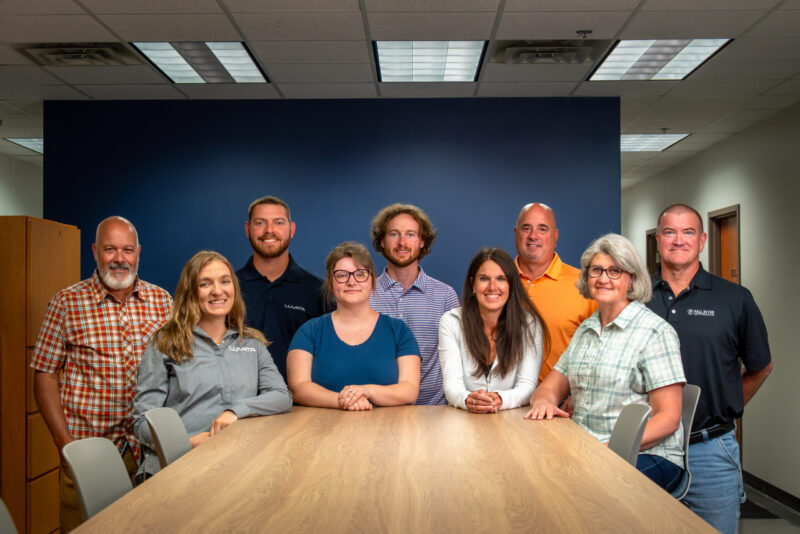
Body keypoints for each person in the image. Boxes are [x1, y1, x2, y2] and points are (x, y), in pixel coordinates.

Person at [31, 216, 173, 532]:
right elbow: (45, 374)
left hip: (147, 451)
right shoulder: (66, 302)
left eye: (127, 249)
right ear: (95, 251)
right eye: (110, 249)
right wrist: (64, 443)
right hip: (87, 451)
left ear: (139, 252)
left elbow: (178, 371)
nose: (120, 259)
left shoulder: (163, 302)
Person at [526, 234, 686, 493]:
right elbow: (549, 388)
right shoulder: (586, 329)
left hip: (648, 455)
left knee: (573, 490)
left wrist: (609, 450)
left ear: (631, 278)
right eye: (597, 270)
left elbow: (669, 418)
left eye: (614, 271)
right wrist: (543, 403)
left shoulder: (655, 332)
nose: (603, 278)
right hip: (589, 449)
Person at [648, 204, 772, 533]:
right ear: (658, 240)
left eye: (688, 232)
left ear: (702, 240)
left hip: (710, 450)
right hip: (647, 449)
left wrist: (727, 402)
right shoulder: (635, 298)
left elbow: (761, 365)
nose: (678, 240)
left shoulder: (735, 299)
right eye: (669, 232)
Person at [132, 251, 291, 479]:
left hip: (235, 464)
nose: (218, 291)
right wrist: (186, 444)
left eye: (225, 281)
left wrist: (235, 411)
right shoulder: (165, 343)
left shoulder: (252, 344)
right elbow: (141, 422)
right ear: (190, 292)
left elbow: (281, 396)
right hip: (175, 467)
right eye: (205, 284)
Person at [286, 242, 420, 410]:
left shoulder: (399, 331)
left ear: (372, 281)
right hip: (322, 431)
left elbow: (409, 391)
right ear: (330, 283)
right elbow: (298, 387)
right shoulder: (309, 331)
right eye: (342, 275)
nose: (352, 282)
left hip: (389, 432)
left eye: (360, 274)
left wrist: (367, 391)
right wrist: (342, 401)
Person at [369, 203, 459, 405]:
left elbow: (458, 361)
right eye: (394, 234)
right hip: (377, 411)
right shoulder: (365, 294)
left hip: (436, 411)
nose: (402, 242)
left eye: (410, 234)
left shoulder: (445, 296)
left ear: (422, 242)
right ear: (382, 241)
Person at [439, 247, 545, 413]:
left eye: (501, 279)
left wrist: (500, 399)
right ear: (473, 285)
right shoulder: (451, 322)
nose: (492, 287)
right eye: (484, 279)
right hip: (463, 420)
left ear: (511, 285)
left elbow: (527, 386)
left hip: (513, 423)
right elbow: (452, 385)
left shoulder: (530, 325)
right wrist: (468, 399)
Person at [236, 196, 328, 382]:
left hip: (301, 404)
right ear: (247, 229)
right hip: (239, 401)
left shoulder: (318, 290)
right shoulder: (228, 288)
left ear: (291, 229)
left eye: (278, 222)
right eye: (260, 223)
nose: (269, 230)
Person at [514, 202, 597, 384]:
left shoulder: (585, 285)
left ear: (555, 236)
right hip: (503, 402)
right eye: (526, 228)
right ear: (516, 233)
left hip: (563, 404)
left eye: (543, 229)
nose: (533, 236)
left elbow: (601, 349)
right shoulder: (497, 283)